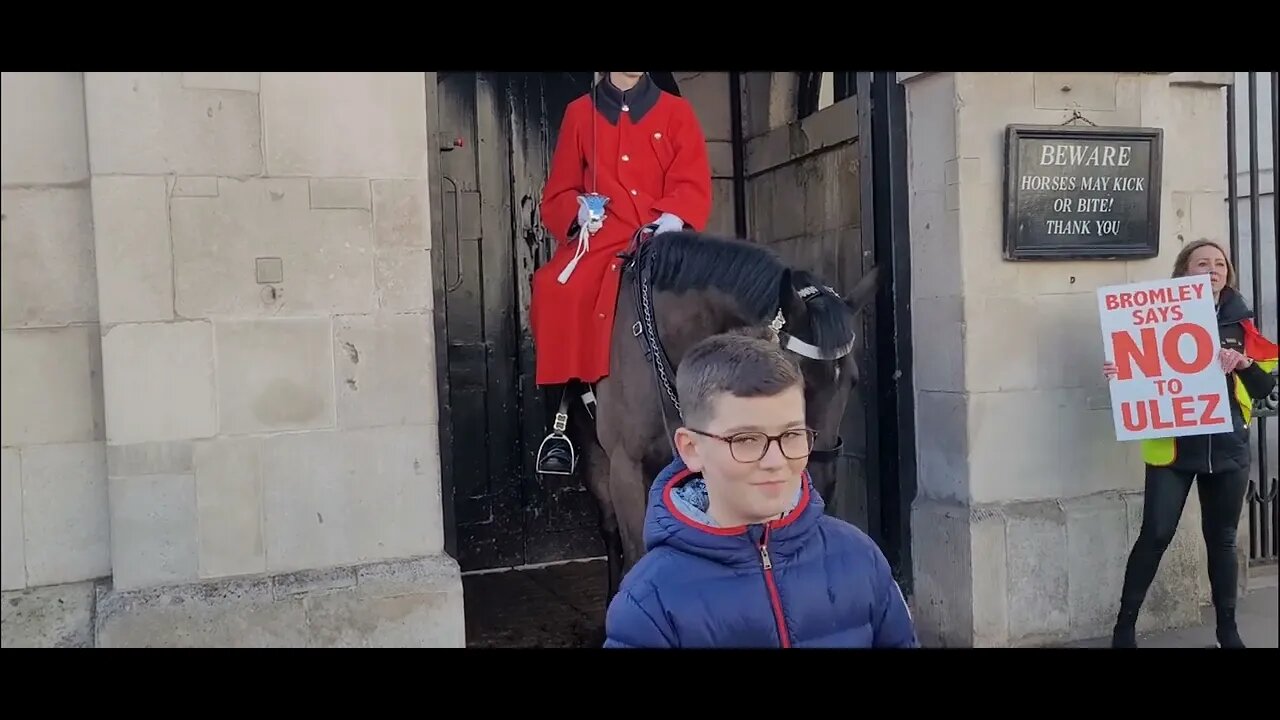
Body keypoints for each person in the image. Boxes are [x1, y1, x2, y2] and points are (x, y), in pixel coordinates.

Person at [602, 328, 919, 648]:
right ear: (691, 449)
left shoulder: (859, 558)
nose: (775, 461)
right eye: (746, 440)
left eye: (792, 435)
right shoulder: (649, 602)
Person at [531, 71, 713, 477]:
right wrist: (577, 209)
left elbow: (693, 179)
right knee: (551, 289)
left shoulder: (677, 112)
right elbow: (557, 193)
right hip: (601, 239)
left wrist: (673, 217)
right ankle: (566, 410)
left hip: (662, 234)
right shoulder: (580, 114)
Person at [1104, 239, 1278, 649]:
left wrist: (1245, 365)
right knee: (1156, 533)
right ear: (1185, 271)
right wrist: (1119, 371)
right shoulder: (1151, 317)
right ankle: (1124, 628)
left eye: (1220, 264)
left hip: (1228, 447)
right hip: (1174, 449)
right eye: (1203, 262)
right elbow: (1136, 370)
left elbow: (1266, 387)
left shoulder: (1243, 325)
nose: (1213, 269)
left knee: (1222, 539)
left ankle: (1227, 630)